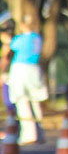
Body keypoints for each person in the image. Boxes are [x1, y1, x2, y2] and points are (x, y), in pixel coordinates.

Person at [7, 15, 48, 144]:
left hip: (21, 69)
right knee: (35, 100)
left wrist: (8, 40)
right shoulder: (37, 38)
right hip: (34, 69)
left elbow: (11, 47)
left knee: (22, 100)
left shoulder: (21, 39)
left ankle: (29, 133)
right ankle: (40, 132)